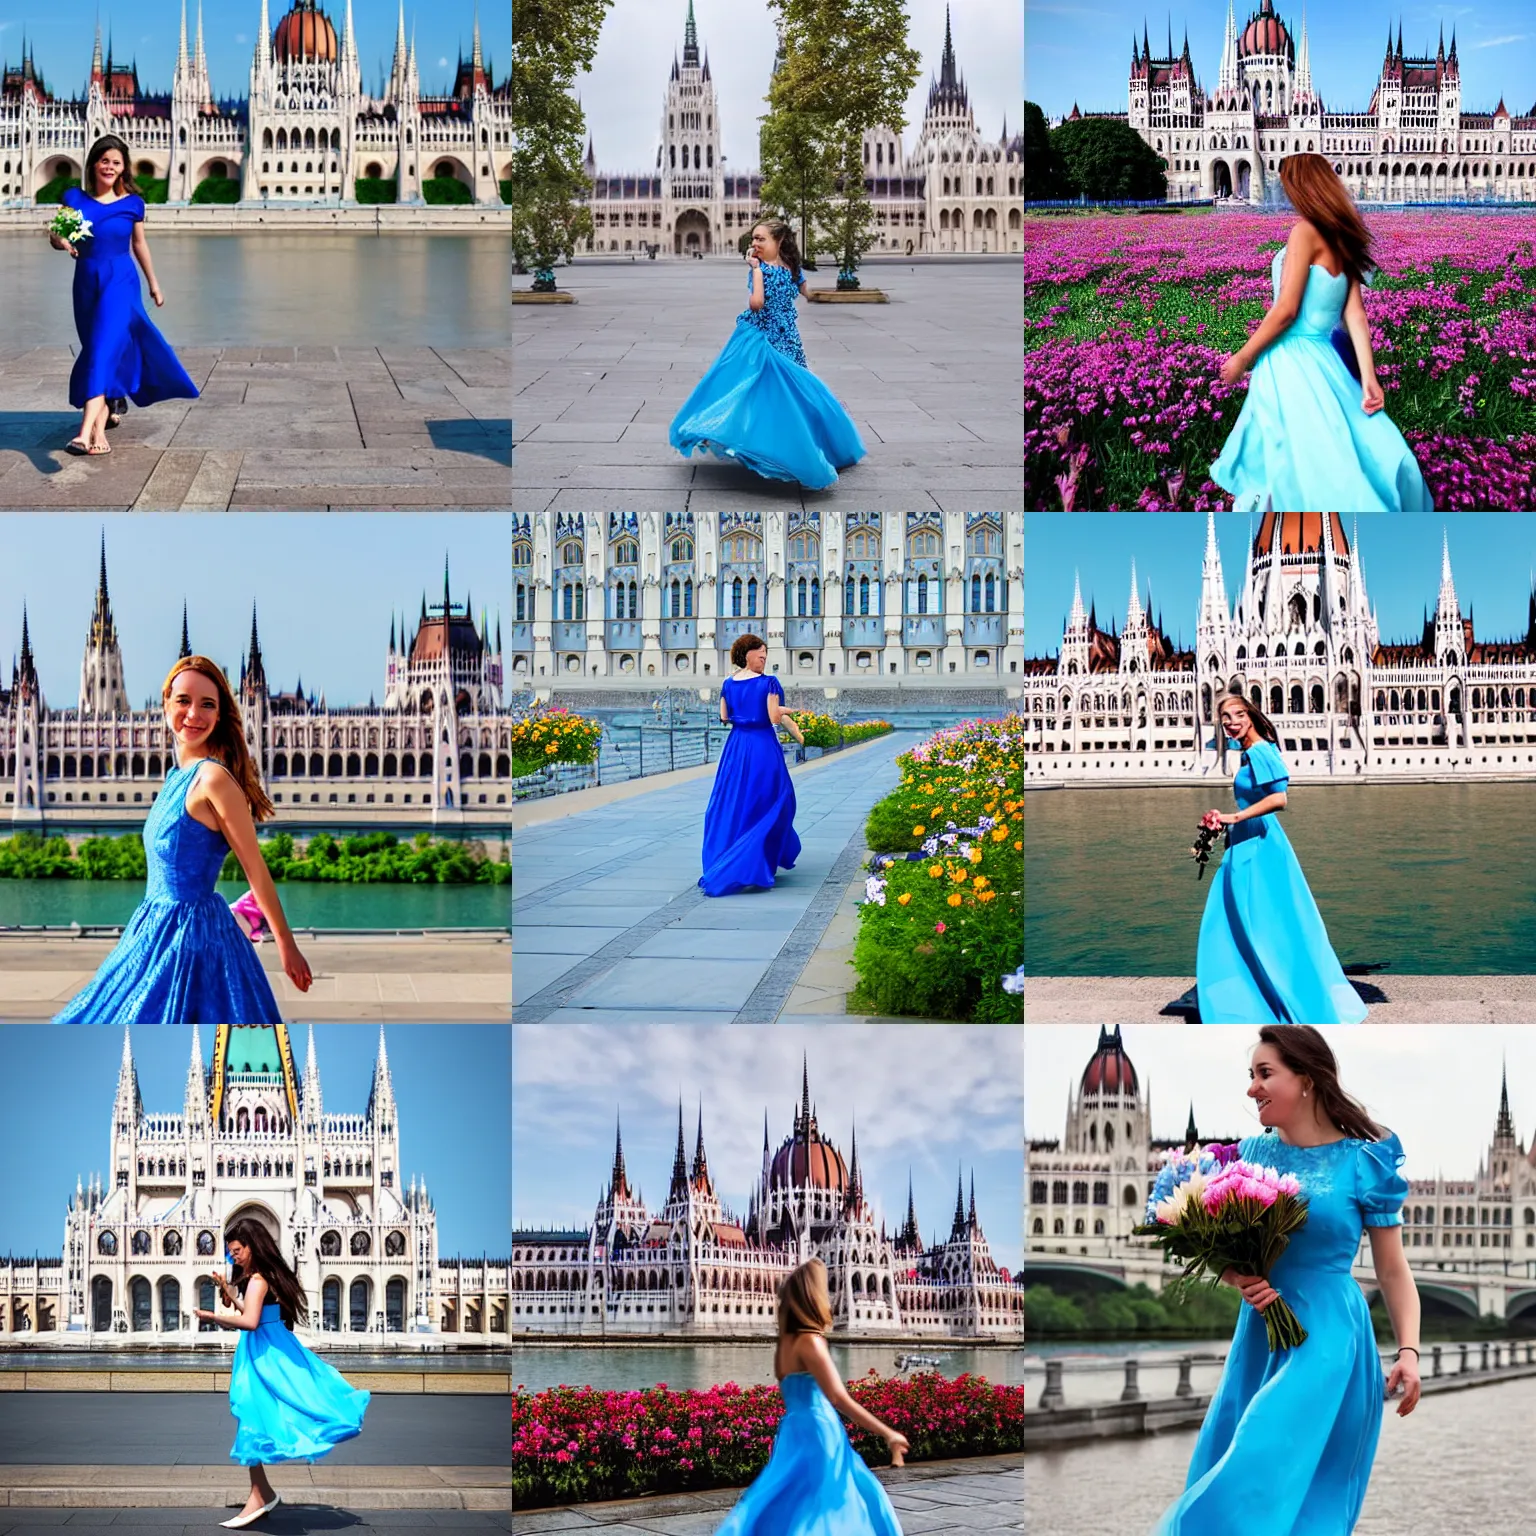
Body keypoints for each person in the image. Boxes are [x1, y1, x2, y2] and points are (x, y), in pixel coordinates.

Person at [1153, 1026, 1419, 1535]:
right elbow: (1197, 1233)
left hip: (1330, 1339)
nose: (1252, 1088)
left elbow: (1392, 1270)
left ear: (1307, 1080)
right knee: (1233, 1458)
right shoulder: (1244, 1156)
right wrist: (1232, 1274)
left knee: (1268, 1459)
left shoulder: (1367, 1164)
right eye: (1250, 1075)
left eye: (1265, 1073)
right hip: (1259, 1332)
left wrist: (1409, 1352)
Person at [54, 656, 312, 1022]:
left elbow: (256, 869)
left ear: (220, 715)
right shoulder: (177, 776)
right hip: (152, 929)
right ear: (165, 703)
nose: (194, 714)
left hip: (193, 942)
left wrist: (287, 945)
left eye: (208, 704)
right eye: (184, 701)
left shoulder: (214, 780)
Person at [1211, 154, 1432, 513]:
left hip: (1289, 360)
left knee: (1293, 461)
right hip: (1327, 361)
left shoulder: (1304, 231)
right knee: (1340, 450)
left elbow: (1286, 311)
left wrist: (1242, 358)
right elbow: (1356, 316)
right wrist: (1369, 378)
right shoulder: (1342, 240)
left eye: (1288, 186)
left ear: (1302, 187)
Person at [1196, 690, 1366, 1024]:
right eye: (1225, 718)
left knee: (1259, 921)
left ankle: (1270, 997)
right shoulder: (1249, 752)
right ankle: (1260, 992)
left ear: (1251, 714)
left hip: (1260, 843)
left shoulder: (1260, 750)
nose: (1231, 723)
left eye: (1238, 715)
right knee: (1250, 920)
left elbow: (1280, 799)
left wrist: (1233, 818)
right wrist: (1224, 823)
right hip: (1248, 840)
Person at [194, 1218, 370, 1528]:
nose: (232, 1256)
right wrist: (226, 1290)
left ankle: (260, 1495)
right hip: (263, 1348)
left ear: (251, 1247)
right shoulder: (259, 1279)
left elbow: (249, 1321)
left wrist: (213, 1317)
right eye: (230, 1251)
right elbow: (253, 1312)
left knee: (255, 1416)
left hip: (266, 1355)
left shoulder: (259, 1279)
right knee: (253, 1417)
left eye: (236, 1250)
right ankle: (261, 1493)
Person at [714, 1258, 909, 1536]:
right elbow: (838, 1398)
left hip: (793, 1433)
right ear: (813, 1297)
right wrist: (887, 1433)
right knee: (841, 1506)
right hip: (821, 1433)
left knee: (785, 1503)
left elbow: (792, 1397)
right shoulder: (811, 1342)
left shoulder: (784, 1347)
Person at [670, 219, 866, 489]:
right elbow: (806, 292)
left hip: (767, 339)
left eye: (761, 239)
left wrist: (755, 271)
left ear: (779, 241)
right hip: (786, 338)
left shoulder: (762, 269)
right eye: (753, 239)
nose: (755, 244)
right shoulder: (792, 268)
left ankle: (772, 443)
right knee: (793, 392)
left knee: (754, 389)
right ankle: (818, 446)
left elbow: (756, 303)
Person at [48, 134, 199, 456]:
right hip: (87, 281)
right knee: (97, 350)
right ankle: (102, 421)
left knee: (102, 349)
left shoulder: (133, 204)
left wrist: (154, 284)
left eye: (116, 162)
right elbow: (56, 234)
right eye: (105, 160)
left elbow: (139, 244)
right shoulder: (73, 198)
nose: (110, 167)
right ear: (94, 163)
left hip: (121, 281)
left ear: (123, 168)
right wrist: (61, 242)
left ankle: (87, 431)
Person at [699, 634, 804, 897]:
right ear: (747, 654)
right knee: (773, 798)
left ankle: (736, 858)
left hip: (736, 748)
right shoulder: (769, 683)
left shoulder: (727, 684)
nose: (764, 658)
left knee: (735, 801)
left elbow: (724, 716)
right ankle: (756, 862)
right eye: (761, 654)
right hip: (761, 746)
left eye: (766, 654)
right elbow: (773, 716)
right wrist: (791, 714)